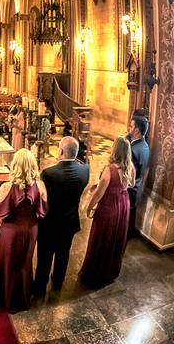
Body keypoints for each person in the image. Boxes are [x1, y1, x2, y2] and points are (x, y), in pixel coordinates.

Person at [0, 149, 47, 312]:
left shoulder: (7, 187)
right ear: (33, 165)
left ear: (15, 165)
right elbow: (44, 210)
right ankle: (23, 296)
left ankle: (3, 297)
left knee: (7, 263)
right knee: (24, 263)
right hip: (31, 230)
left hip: (11, 232)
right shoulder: (40, 186)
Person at [32, 137, 89, 297]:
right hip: (69, 221)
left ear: (61, 151)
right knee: (63, 254)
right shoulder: (85, 170)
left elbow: (42, 197)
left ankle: (40, 287)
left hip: (49, 223)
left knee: (44, 256)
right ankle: (57, 282)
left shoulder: (49, 174)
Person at [79, 137, 134, 288]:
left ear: (115, 150)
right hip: (123, 204)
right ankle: (111, 269)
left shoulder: (109, 171)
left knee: (102, 237)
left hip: (109, 206)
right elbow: (132, 184)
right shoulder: (130, 167)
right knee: (116, 236)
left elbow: (98, 193)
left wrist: (90, 207)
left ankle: (96, 273)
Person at [126, 115, 150, 236]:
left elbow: (130, 175)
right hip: (138, 188)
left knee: (126, 221)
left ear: (136, 130)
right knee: (131, 216)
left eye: (131, 126)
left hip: (130, 190)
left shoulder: (133, 150)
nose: (128, 128)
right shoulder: (145, 146)